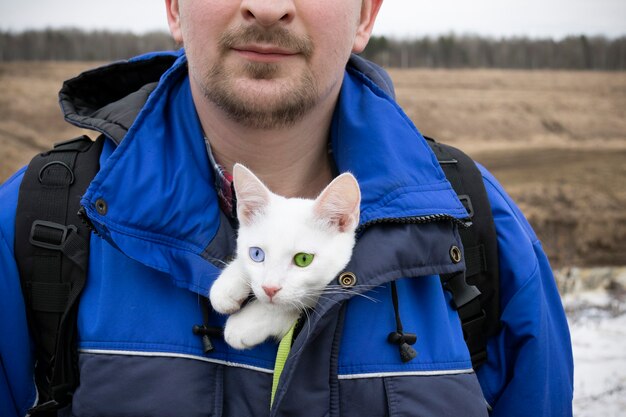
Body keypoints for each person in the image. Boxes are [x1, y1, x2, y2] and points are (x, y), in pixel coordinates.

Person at [0, 1, 573, 416]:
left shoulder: (481, 230)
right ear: (175, 8)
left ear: (366, 16)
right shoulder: (31, 225)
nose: (269, 7)